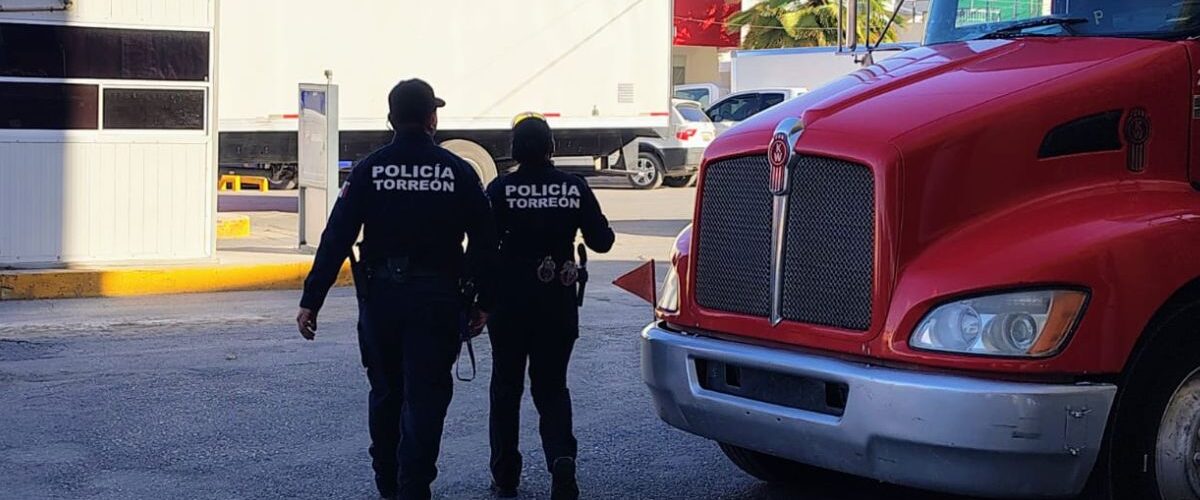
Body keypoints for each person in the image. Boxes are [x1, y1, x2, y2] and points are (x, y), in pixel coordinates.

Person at [295, 79, 496, 500]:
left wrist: (312, 301)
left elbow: (336, 237)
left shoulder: (370, 169)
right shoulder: (457, 170)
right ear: (431, 118)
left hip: (382, 300)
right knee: (427, 395)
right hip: (438, 301)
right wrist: (480, 299)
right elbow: (485, 237)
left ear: (390, 119)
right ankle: (414, 484)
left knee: (386, 391)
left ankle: (387, 480)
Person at [485, 113, 615, 500]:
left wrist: (475, 299)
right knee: (552, 387)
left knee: (506, 389)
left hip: (509, 303)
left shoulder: (500, 189)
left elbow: (483, 247)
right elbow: (602, 241)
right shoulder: (573, 187)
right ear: (551, 148)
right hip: (557, 299)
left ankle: (506, 474)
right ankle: (561, 458)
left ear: (514, 150)